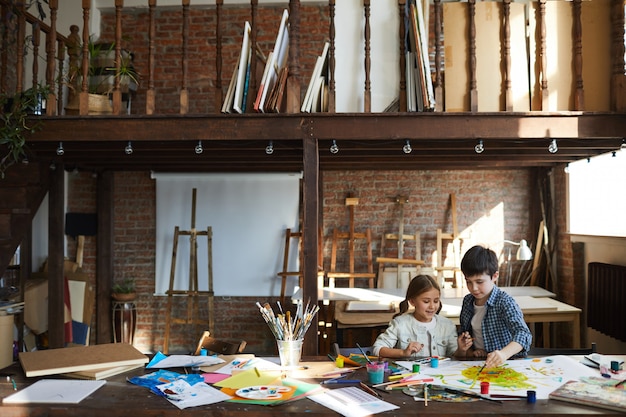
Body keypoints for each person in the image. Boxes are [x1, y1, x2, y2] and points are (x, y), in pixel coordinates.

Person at [456, 245, 532, 367]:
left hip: (508, 363)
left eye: (479, 282)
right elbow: (466, 333)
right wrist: (470, 349)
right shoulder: (467, 301)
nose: (473, 288)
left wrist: (503, 354)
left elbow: (524, 334)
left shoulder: (504, 301)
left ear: (495, 276)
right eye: (468, 281)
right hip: (480, 363)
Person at [372, 274, 463, 359]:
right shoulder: (400, 324)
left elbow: (455, 355)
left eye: (436, 301)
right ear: (412, 301)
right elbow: (377, 349)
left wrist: (462, 350)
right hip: (411, 375)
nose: (432, 306)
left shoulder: (447, 325)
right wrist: (403, 353)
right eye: (426, 301)